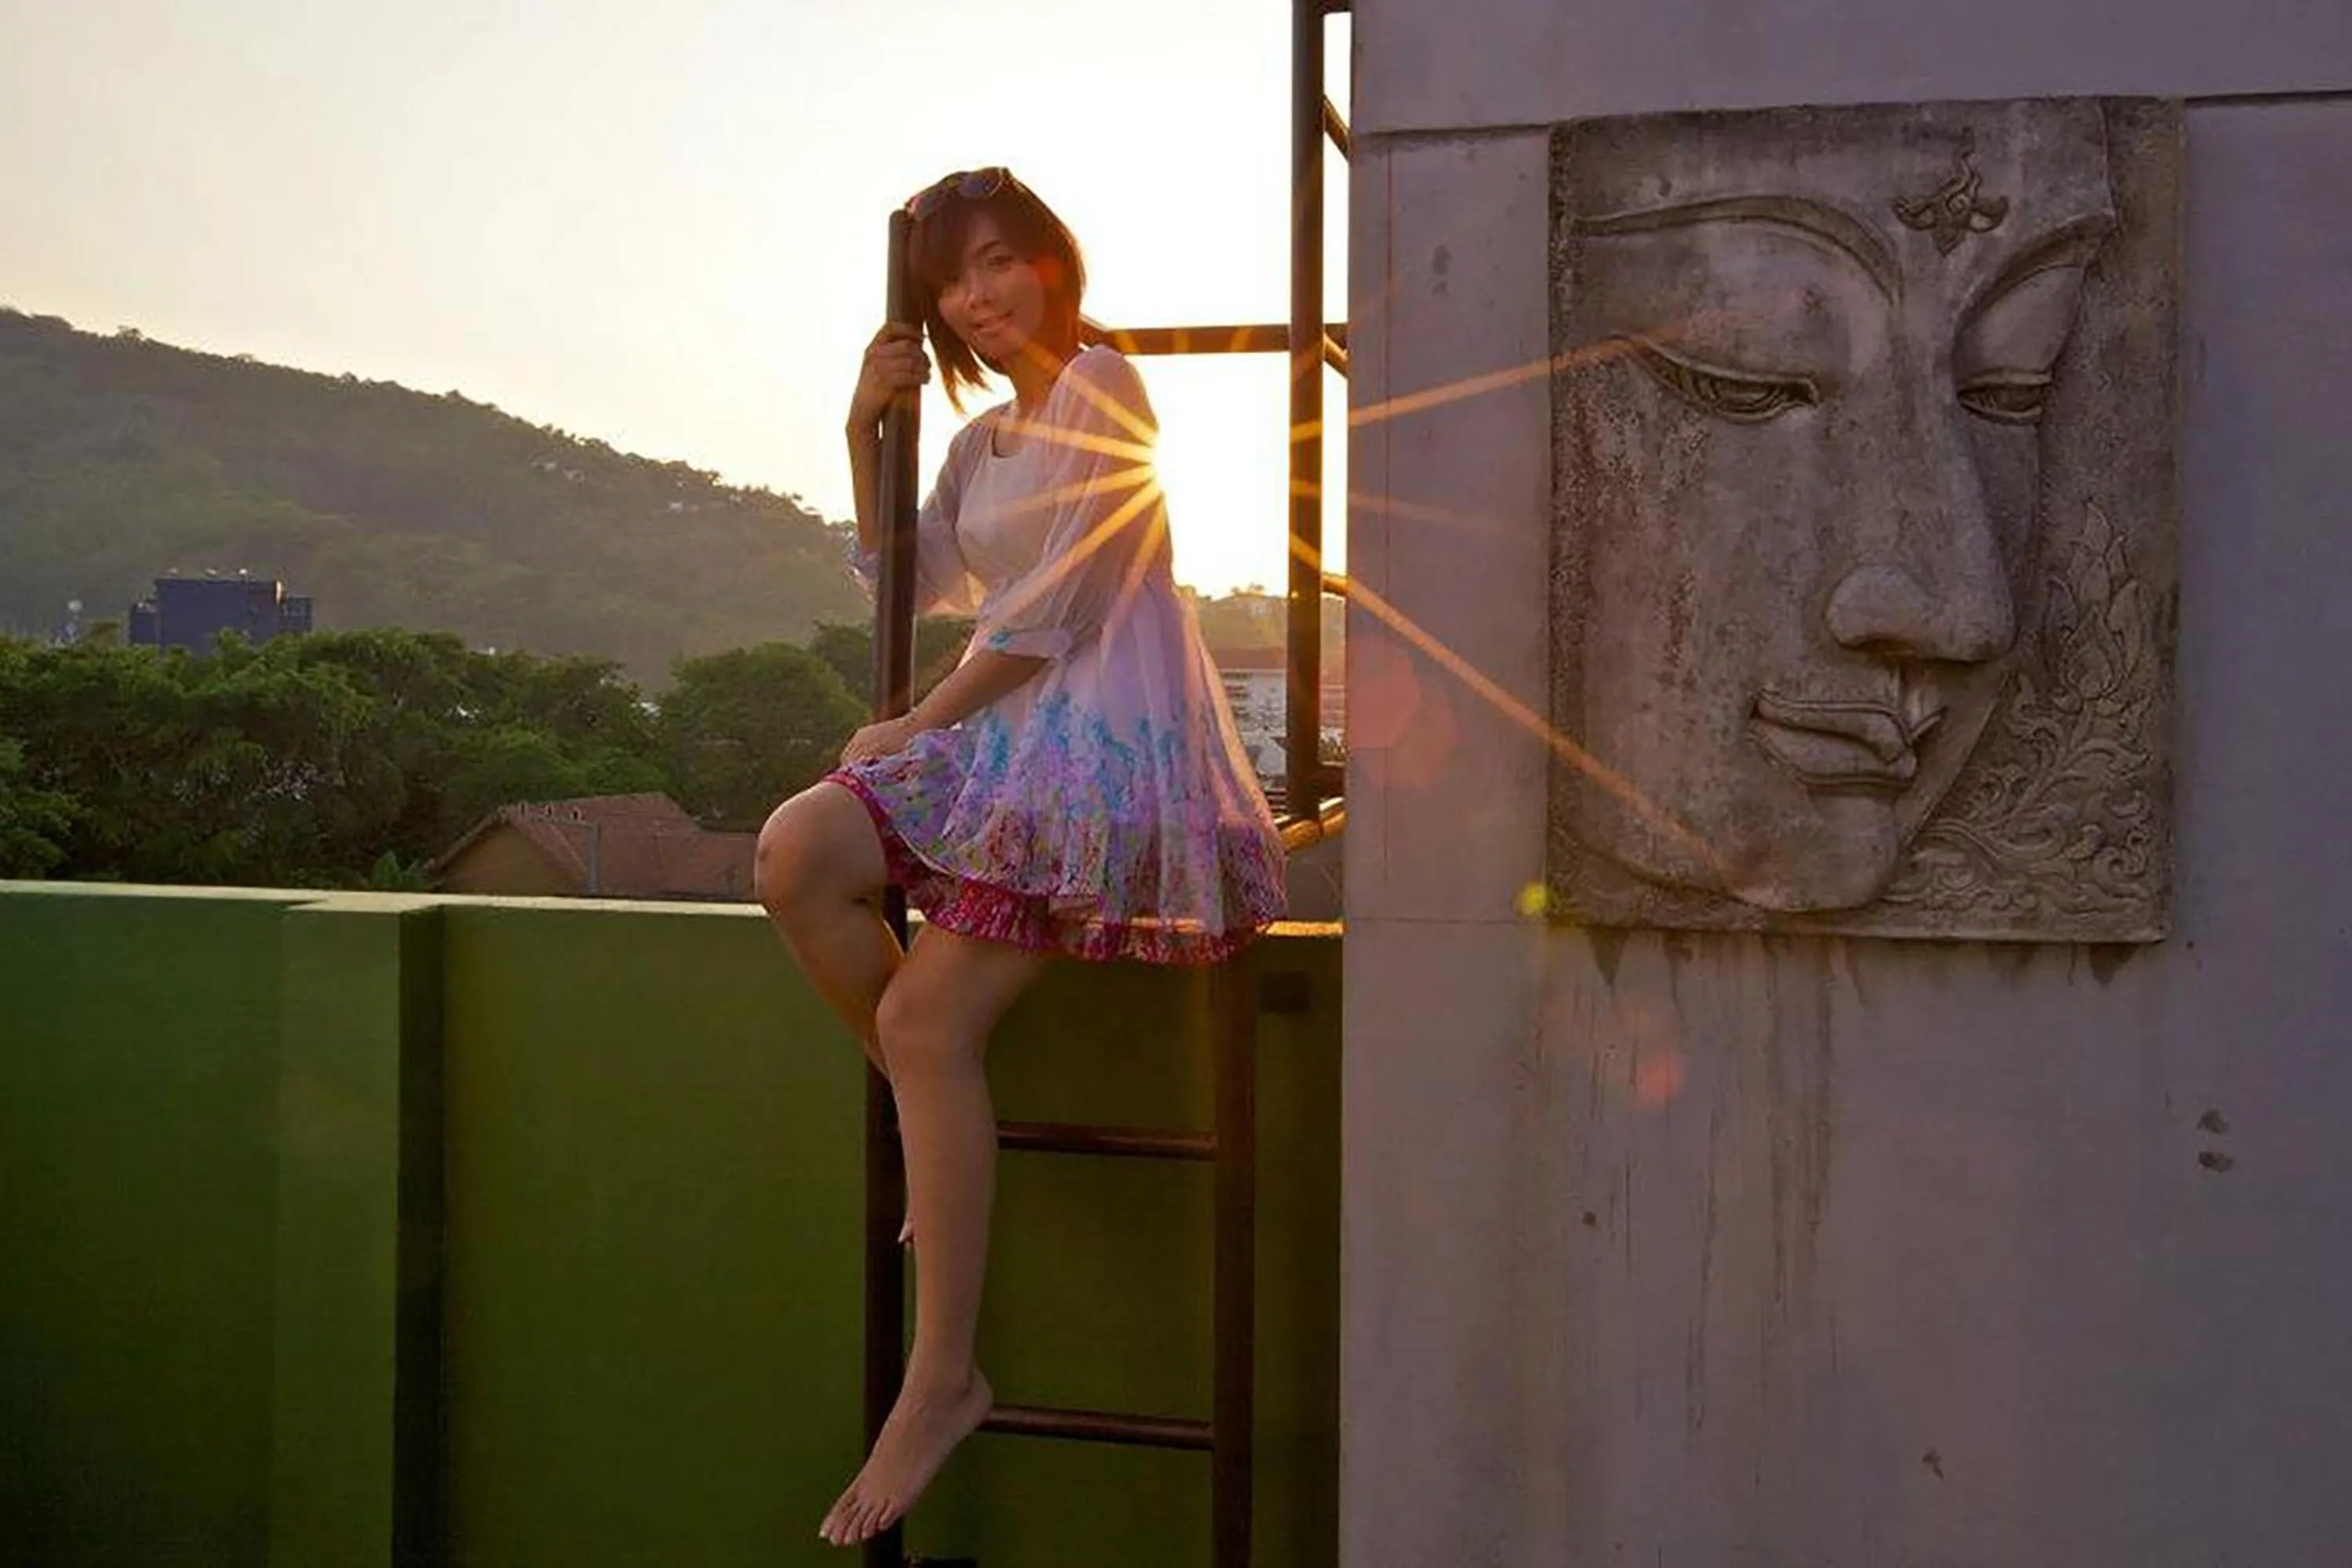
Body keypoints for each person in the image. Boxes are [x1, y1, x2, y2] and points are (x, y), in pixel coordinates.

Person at [752, 166, 1287, 1548]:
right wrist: (858, 429)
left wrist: (916, 722)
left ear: (1051, 263)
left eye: (996, 264)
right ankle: (947, 1144)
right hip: (1004, 738)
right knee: (796, 851)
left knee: (929, 1019)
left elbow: (1061, 603)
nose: (975, 300)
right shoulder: (984, 443)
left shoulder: (1104, 384)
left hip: (1103, 747)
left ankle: (944, 1380)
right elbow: (907, 575)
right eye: (949, 284)